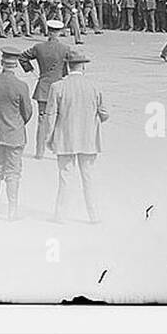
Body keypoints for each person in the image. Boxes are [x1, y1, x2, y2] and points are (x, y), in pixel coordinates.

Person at [45, 48, 108, 224]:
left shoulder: (57, 87)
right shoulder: (94, 87)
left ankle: (60, 215)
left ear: (67, 66)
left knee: (65, 178)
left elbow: (50, 116)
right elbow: (104, 113)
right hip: (88, 140)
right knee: (88, 177)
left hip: (65, 138)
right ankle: (94, 215)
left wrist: (49, 139)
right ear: (83, 67)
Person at [0, 47, 34, 220]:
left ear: (1, 63)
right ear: (16, 65)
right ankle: (12, 211)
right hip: (14, 134)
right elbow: (27, 112)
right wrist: (17, 124)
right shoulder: (21, 86)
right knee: (13, 173)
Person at [18, 19, 70, 159]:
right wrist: (64, 73)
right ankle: (59, 151)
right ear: (59, 32)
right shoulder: (65, 48)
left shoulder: (39, 47)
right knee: (60, 120)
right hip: (59, 87)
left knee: (42, 122)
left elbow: (22, 57)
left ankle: (39, 152)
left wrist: (31, 70)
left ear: (48, 31)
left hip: (43, 88)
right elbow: (73, 63)